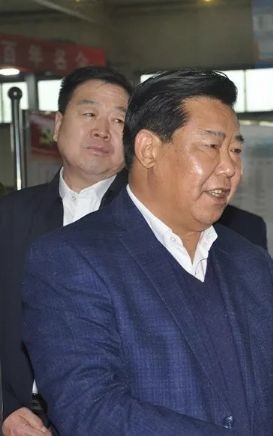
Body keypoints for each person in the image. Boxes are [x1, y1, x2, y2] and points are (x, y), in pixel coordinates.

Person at [21, 69, 273, 435]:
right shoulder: (71, 259)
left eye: (236, 150)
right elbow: (91, 407)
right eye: (211, 147)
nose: (230, 168)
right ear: (149, 150)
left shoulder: (248, 261)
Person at [0, 65, 132, 435]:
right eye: (89, 114)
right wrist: (5, 409)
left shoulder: (152, 225)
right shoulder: (8, 217)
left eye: (119, 121)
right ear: (58, 125)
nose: (102, 130)